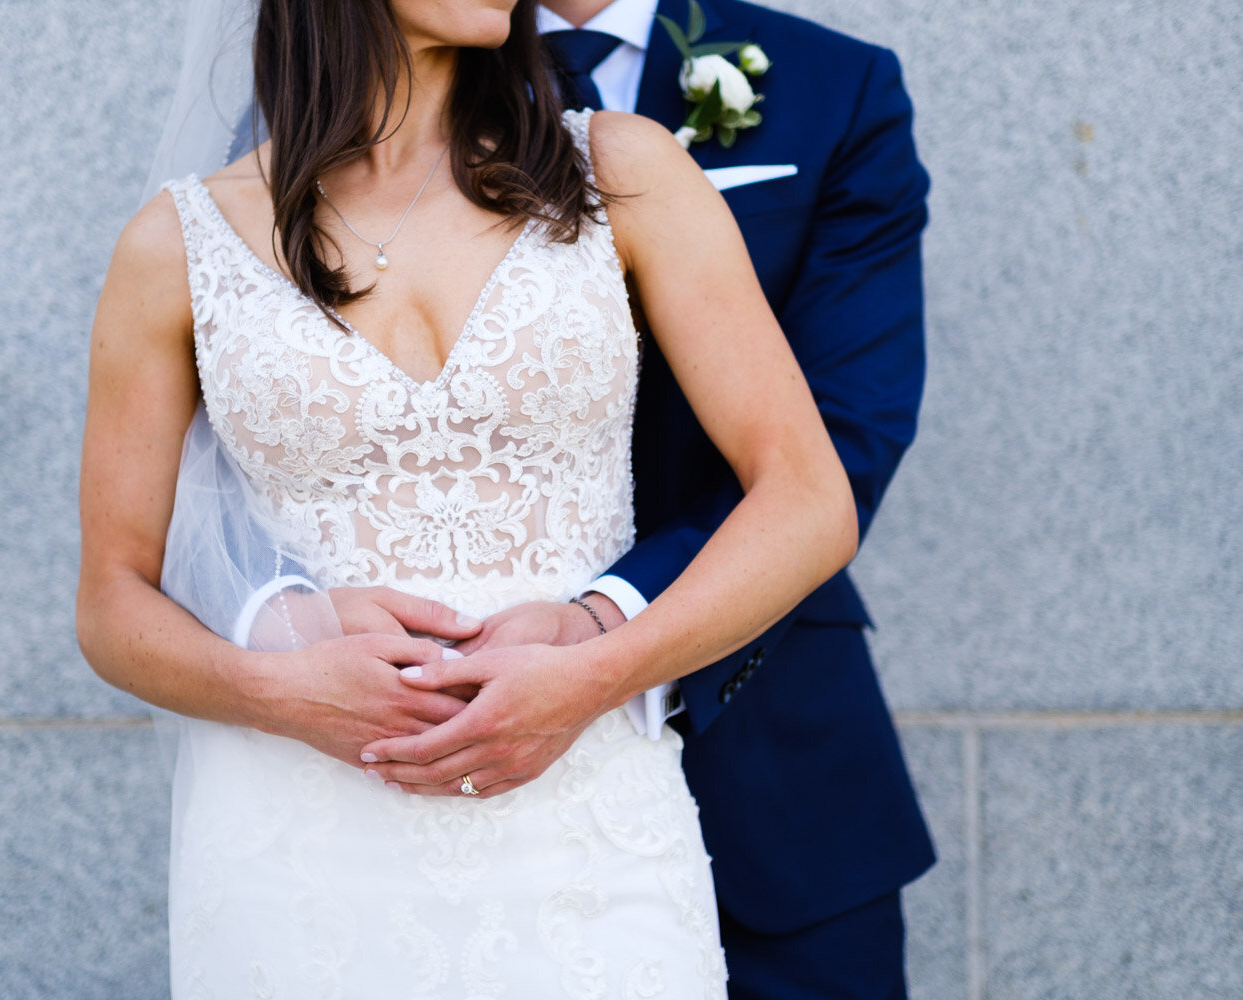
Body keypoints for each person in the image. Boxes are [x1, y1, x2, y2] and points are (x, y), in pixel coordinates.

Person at [77, 0, 858, 994]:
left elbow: (808, 499)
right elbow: (111, 599)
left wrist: (598, 671)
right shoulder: (177, 243)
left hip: (586, 833)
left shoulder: (623, 172)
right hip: (298, 853)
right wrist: (279, 689)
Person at [356, 1, 939, 996]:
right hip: (461, 750)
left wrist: (603, 620)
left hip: (769, 744)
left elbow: (841, 445)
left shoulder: (836, 86)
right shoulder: (381, 71)